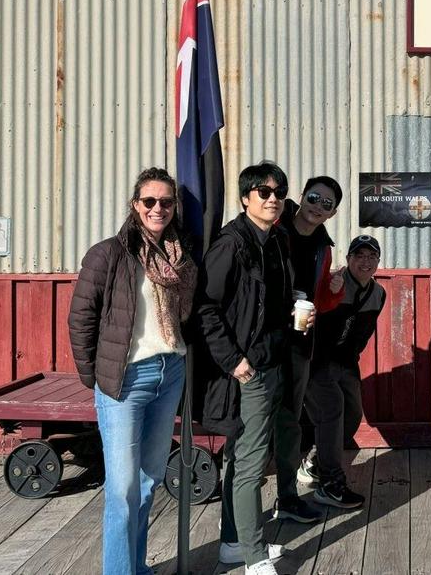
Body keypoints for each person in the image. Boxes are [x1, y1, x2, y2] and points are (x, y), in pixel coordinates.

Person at [68, 167, 196, 575]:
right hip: (125, 381)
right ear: (135, 205)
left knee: (148, 481)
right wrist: (95, 377)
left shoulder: (180, 256)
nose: (158, 208)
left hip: (170, 372)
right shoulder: (107, 254)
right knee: (122, 489)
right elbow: (81, 318)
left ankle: (135, 566)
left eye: (166, 202)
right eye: (149, 201)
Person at [193, 161, 298, 575]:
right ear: (244, 198)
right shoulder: (230, 244)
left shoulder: (276, 240)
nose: (273, 199)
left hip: (273, 361)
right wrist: (233, 361)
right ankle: (253, 557)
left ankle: (234, 544)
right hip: (249, 369)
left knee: (242, 457)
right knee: (251, 464)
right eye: (264, 192)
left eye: (279, 192)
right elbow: (205, 308)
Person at [271, 176, 342, 526]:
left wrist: (334, 290)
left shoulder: (323, 247)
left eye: (327, 204)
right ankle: (235, 514)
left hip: (298, 344)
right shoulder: (273, 228)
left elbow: (320, 302)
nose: (318, 206)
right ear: (301, 196)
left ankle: (287, 498)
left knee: (289, 424)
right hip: (262, 342)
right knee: (249, 428)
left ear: (332, 214)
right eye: (314, 197)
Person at [303, 234, 386, 507]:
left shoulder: (378, 293)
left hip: (347, 362)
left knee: (352, 415)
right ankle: (330, 482)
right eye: (359, 256)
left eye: (371, 256)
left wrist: (352, 357)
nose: (365, 261)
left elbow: (365, 331)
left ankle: (315, 461)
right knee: (332, 409)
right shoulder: (334, 284)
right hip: (319, 361)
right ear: (348, 259)